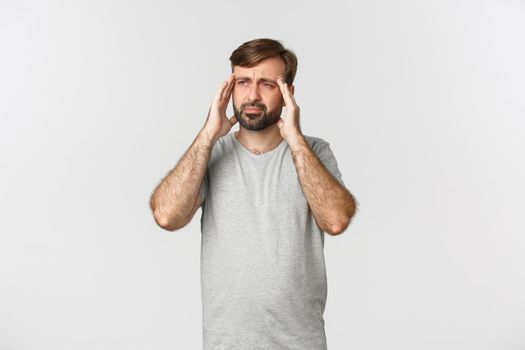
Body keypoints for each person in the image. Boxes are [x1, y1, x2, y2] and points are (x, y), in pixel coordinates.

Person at [149, 38, 357, 350]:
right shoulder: (209, 153)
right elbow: (166, 216)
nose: (252, 95)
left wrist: (296, 139)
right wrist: (207, 135)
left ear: (288, 94)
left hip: (301, 343)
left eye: (267, 85)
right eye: (243, 82)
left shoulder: (313, 151)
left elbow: (336, 220)